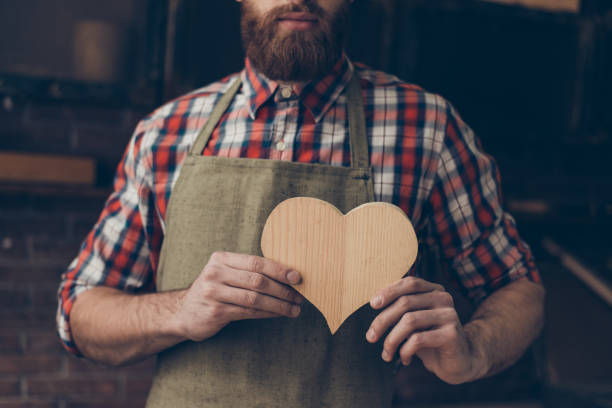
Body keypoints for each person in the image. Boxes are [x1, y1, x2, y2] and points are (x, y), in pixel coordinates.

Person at [57, 0, 546, 407]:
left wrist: (473, 352)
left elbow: (517, 287)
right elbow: (81, 310)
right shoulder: (164, 133)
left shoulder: (428, 129)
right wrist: (180, 310)